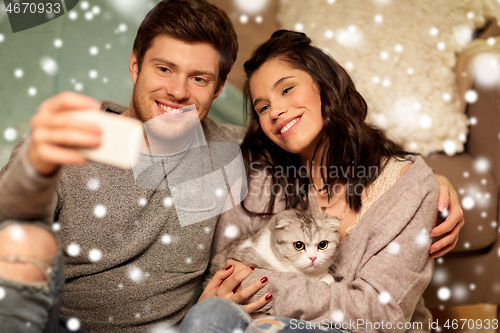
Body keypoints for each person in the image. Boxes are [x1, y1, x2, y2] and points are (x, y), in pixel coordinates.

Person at [0, 1, 461, 332]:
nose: (179, 91)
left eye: (198, 78)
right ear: (135, 65)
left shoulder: (234, 149)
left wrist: (430, 182)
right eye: (164, 69)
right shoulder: (67, 143)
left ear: (217, 91)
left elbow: (329, 149)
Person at [178, 30, 451, 333]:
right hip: (263, 324)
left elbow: (381, 314)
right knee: (208, 317)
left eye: (286, 89)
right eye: (263, 107)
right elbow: (225, 275)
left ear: (325, 85)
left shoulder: (409, 186)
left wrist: (266, 287)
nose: (276, 112)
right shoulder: (261, 173)